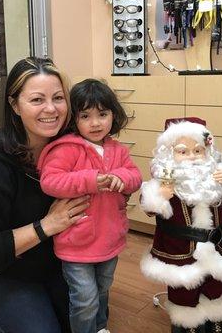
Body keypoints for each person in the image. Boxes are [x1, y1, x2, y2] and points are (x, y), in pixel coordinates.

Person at [0, 57, 90, 333]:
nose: (51, 109)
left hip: (46, 264)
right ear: (14, 105)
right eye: (37, 100)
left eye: (58, 98)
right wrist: (48, 224)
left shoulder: (74, 150)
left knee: (90, 318)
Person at [37, 78, 143, 333]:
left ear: (113, 115)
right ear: (74, 119)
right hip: (76, 241)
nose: (95, 123)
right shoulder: (66, 149)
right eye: (85, 116)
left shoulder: (117, 150)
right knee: (84, 298)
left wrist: (123, 179)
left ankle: (100, 327)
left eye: (102, 114)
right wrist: (91, 180)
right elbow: (50, 181)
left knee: (103, 289)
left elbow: (135, 176)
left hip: (110, 238)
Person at [139, 117, 222, 333]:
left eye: (198, 151)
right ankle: (187, 323)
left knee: (217, 285)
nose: (191, 157)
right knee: (183, 288)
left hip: (218, 245)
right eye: (183, 152)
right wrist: (159, 196)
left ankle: (216, 318)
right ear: (169, 154)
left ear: (207, 151)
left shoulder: (216, 174)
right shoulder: (165, 182)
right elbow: (148, 207)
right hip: (179, 248)